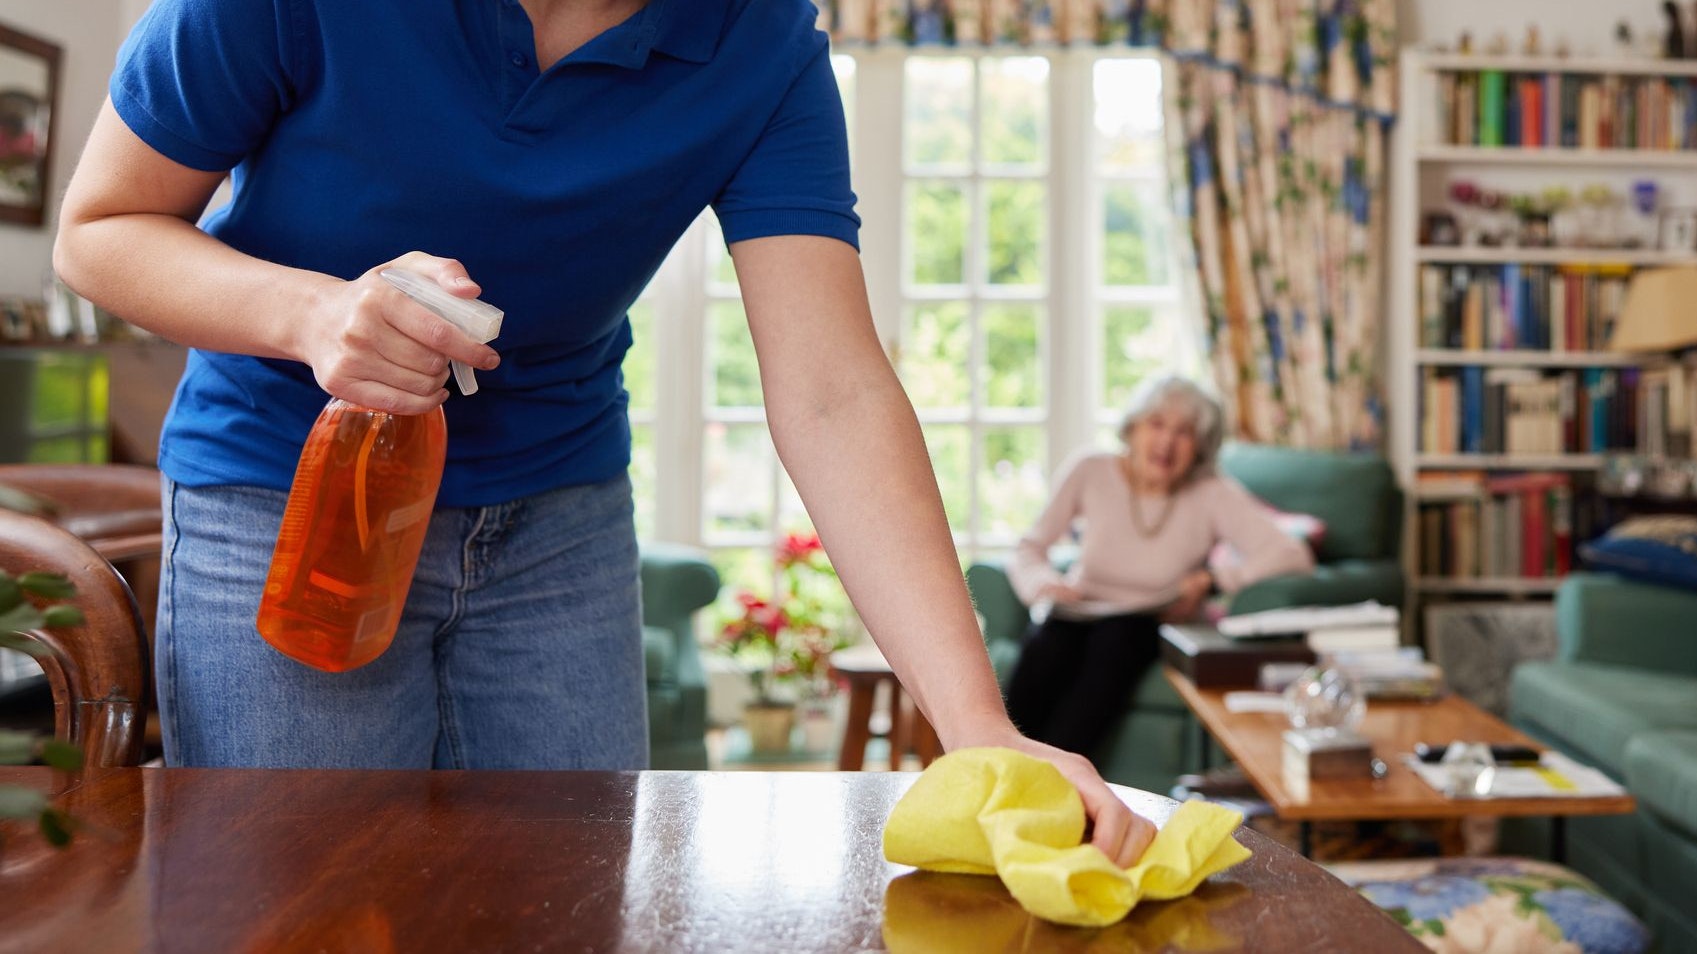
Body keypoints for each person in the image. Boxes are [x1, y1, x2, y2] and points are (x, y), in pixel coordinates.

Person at [53, 0, 1155, 864]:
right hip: (288, 498)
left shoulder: (758, 41)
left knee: (558, 903)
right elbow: (100, 232)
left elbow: (833, 392)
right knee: (299, 898)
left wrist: (976, 728)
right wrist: (310, 314)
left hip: (553, 524)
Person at [1004, 375, 1315, 758]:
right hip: (1079, 609)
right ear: (1133, 428)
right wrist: (1044, 583)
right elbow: (1028, 547)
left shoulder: (1212, 492)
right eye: (1156, 424)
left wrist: (1214, 580)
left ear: (1200, 447)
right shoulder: (1090, 470)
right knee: (1046, 643)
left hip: (1149, 620)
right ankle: (998, 768)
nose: (1167, 442)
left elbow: (1290, 553)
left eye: (1184, 433)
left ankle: (1060, 784)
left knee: (1115, 642)